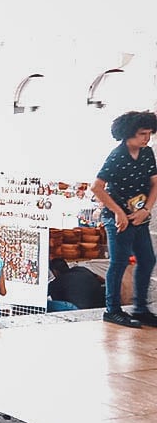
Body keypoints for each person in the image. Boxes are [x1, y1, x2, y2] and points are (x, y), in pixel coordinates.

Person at [91, 110, 157, 327]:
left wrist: (146, 210)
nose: (146, 138)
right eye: (142, 134)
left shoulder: (147, 153)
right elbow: (97, 187)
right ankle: (112, 310)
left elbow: (155, 183)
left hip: (139, 217)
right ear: (128, 134)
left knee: (147, 259)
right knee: (118, 263)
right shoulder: (117, 156)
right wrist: (119, 213)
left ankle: (140, 308)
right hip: (118, 219)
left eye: (149, 133)